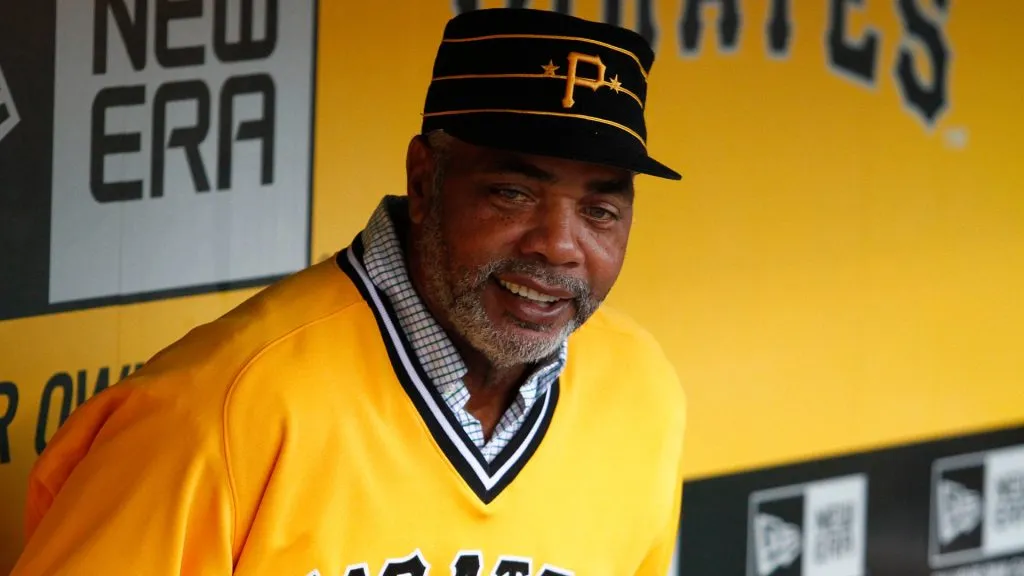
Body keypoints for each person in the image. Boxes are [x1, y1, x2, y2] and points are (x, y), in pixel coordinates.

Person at [12, 7, 687, 576]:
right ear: (423, 181)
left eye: (600, 211)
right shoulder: (217, 409)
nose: (559, 246)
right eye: (512, 193)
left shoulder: (641, 391)